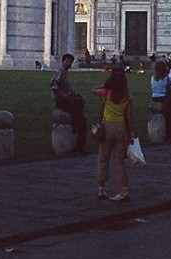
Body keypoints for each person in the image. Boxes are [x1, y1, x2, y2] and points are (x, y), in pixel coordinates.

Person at [92, 67, 135, 201]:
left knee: (103, 157)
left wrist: (105, 84)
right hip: (121, 128)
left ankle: (101, 189)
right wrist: (131, 133)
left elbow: (93, 90)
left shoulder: (107, 92)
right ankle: (124, 190)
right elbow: (129, 118)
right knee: (119, 161)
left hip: (107, 127)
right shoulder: (127, 97)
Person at [50, 53, 87, 154]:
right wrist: (60, 96)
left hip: (66, 99)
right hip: (63, 101)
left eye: (70, 62)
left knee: (80, 101)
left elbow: (68, 90)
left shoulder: (63, 73)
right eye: (67, 61)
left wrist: (77, 95)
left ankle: (75, 122)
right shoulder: (60, 72)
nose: (69, 64)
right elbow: (53, 84)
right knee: (83, 121)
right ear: (62, 61)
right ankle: (80, 147)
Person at [149, 59, 169, 135]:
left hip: (154, 98)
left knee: (155, 116)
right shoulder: (166, 79)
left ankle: (154, 132)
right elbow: (169, 86)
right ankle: (164, 132)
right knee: (165, 116)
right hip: (164, 98)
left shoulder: (152, 78)